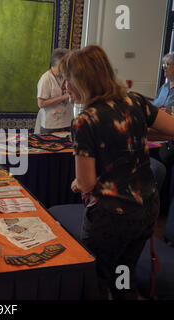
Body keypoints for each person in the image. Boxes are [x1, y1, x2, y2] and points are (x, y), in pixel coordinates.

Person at [59, 45, 174, 299]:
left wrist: (76, 184)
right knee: (124, 273)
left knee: (97, 279)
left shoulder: (85, 121)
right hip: (145, 210)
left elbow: (87, 183)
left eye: (68, 79)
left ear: (82, 79)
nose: (65, 85)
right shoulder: (135, 101)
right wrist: (138, 133)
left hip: (111, 216)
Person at [35, 48, 73, 134]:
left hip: (68, 123)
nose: (67, 67)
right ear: (56, 64)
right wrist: (63, 97)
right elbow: (41, 104)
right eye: (64, 65)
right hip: (51, 126)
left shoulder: (68, 76)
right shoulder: (46, 78)